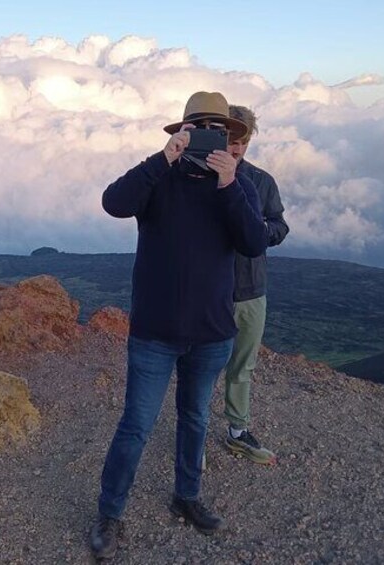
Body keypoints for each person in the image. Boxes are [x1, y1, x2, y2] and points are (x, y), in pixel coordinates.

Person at [90, 91, 268, 559]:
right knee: (137, 425)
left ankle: (186, 497)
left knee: (195, 419)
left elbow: (253, 243)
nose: (209, 138)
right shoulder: (158, 177)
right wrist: (161, 160)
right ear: (181, 132)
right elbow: (113, 202)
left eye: (218, 130)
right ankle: (110, 513)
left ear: (229, 137)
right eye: (198, 129)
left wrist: (229, 185)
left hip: (211, 333)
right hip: (155, 331)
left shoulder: (238, 185)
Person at [219, 105, 289, 465]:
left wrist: (259, 233)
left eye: (243, 141)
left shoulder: (262, 182)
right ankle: (193, 434)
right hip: (211, 290)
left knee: (242, 365)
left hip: (250, 288)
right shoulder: (205, 178)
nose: (236, 148)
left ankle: (237, 431)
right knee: (201, 366)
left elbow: (279, 226)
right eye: (231, 140)